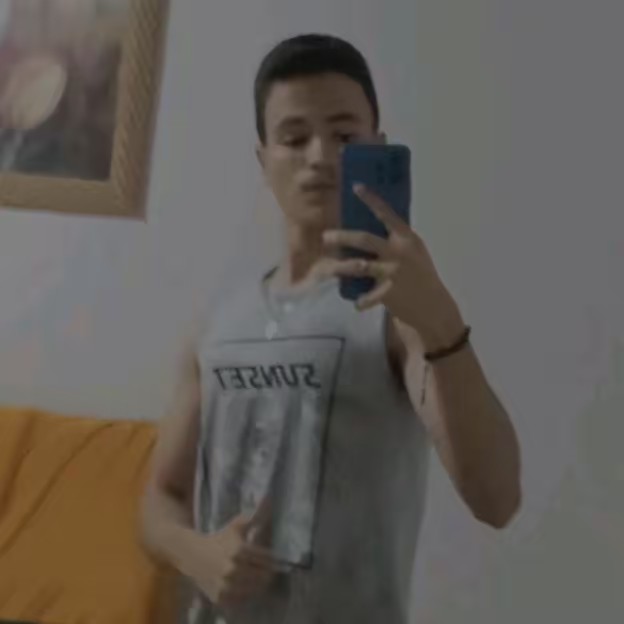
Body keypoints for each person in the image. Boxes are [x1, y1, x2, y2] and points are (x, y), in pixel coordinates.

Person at [141, 34, 522, 624]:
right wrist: (198, 553)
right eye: (294, 138)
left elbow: (497, 499)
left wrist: (440, 318)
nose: (320, 157)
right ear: (263, 159)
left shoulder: (397, 314)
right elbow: (158, 498)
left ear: (378, 148)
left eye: (344, 136)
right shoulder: (217, 325)